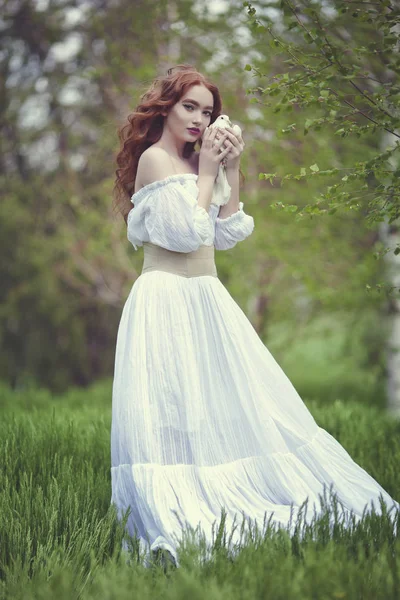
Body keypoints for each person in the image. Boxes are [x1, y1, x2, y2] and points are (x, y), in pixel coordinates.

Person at [111, 64, 399, 571]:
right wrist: (205, 173)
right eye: (190, 107)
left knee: (236, 404)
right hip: (165, 299)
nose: (201, 119)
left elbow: (223, 234)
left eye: (208, 110)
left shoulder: (194, 162)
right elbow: (182, 235)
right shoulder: (156, 161)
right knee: (176, 410)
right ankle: (181, 507)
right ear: (166, 107)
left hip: (206, 296)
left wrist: (231, 171)